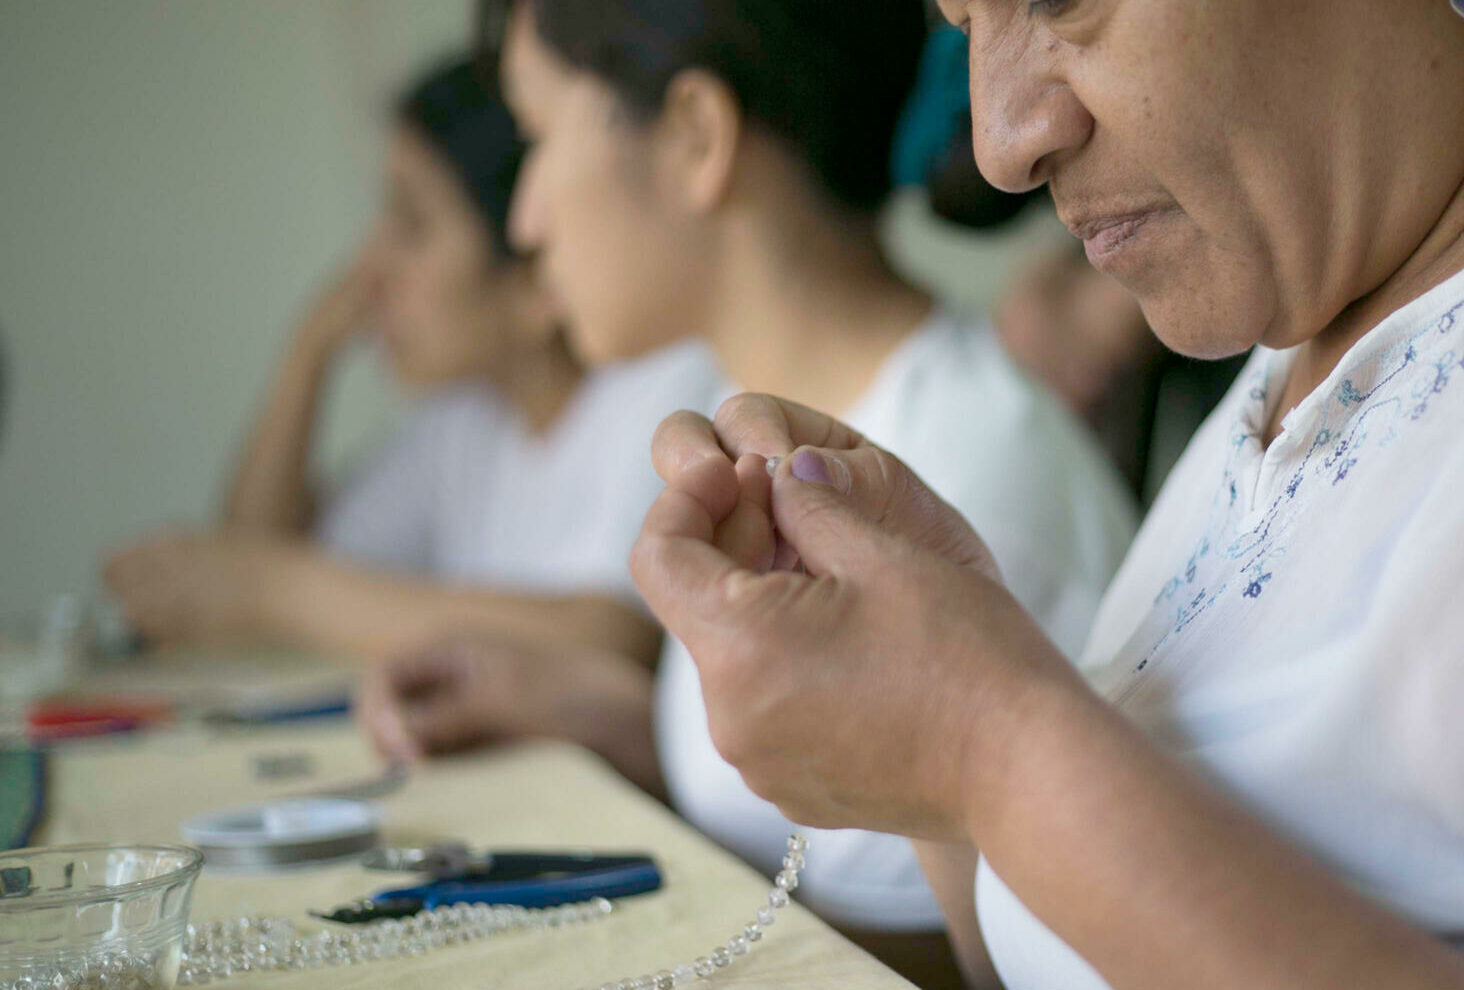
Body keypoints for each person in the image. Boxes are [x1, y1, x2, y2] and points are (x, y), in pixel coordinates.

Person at [628, 1, 1464, 989]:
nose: (1002, 140)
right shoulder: (1316, 312)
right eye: (962, 14)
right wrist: (945, 674)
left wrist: (994, 744)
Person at [356, 2, 1137, 984]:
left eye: (539, 139)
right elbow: (832, 841)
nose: (525, 221)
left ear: (694, 135)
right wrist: (611, 718)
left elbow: (986, 962)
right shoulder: (786, 432)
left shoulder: (963, 483)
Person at [102, 57, 715, 665]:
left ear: (535, 269)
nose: (368, 269)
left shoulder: (659, 389)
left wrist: (277, 589)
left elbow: (612, 639)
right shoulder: (466, 423)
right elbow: (243, 568)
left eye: (413, 225)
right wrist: (305, 358)